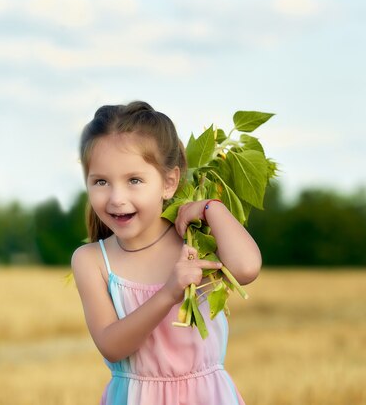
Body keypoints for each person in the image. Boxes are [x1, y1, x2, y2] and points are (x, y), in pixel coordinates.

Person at [71, 101, 261, 405]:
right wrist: (169, 293)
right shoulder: (91, 260)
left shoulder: (193, 240)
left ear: (169, 182)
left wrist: (212, 209)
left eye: (134, 180)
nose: (117, 198)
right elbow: (112, 345)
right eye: (101, 182)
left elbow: (247, 268)